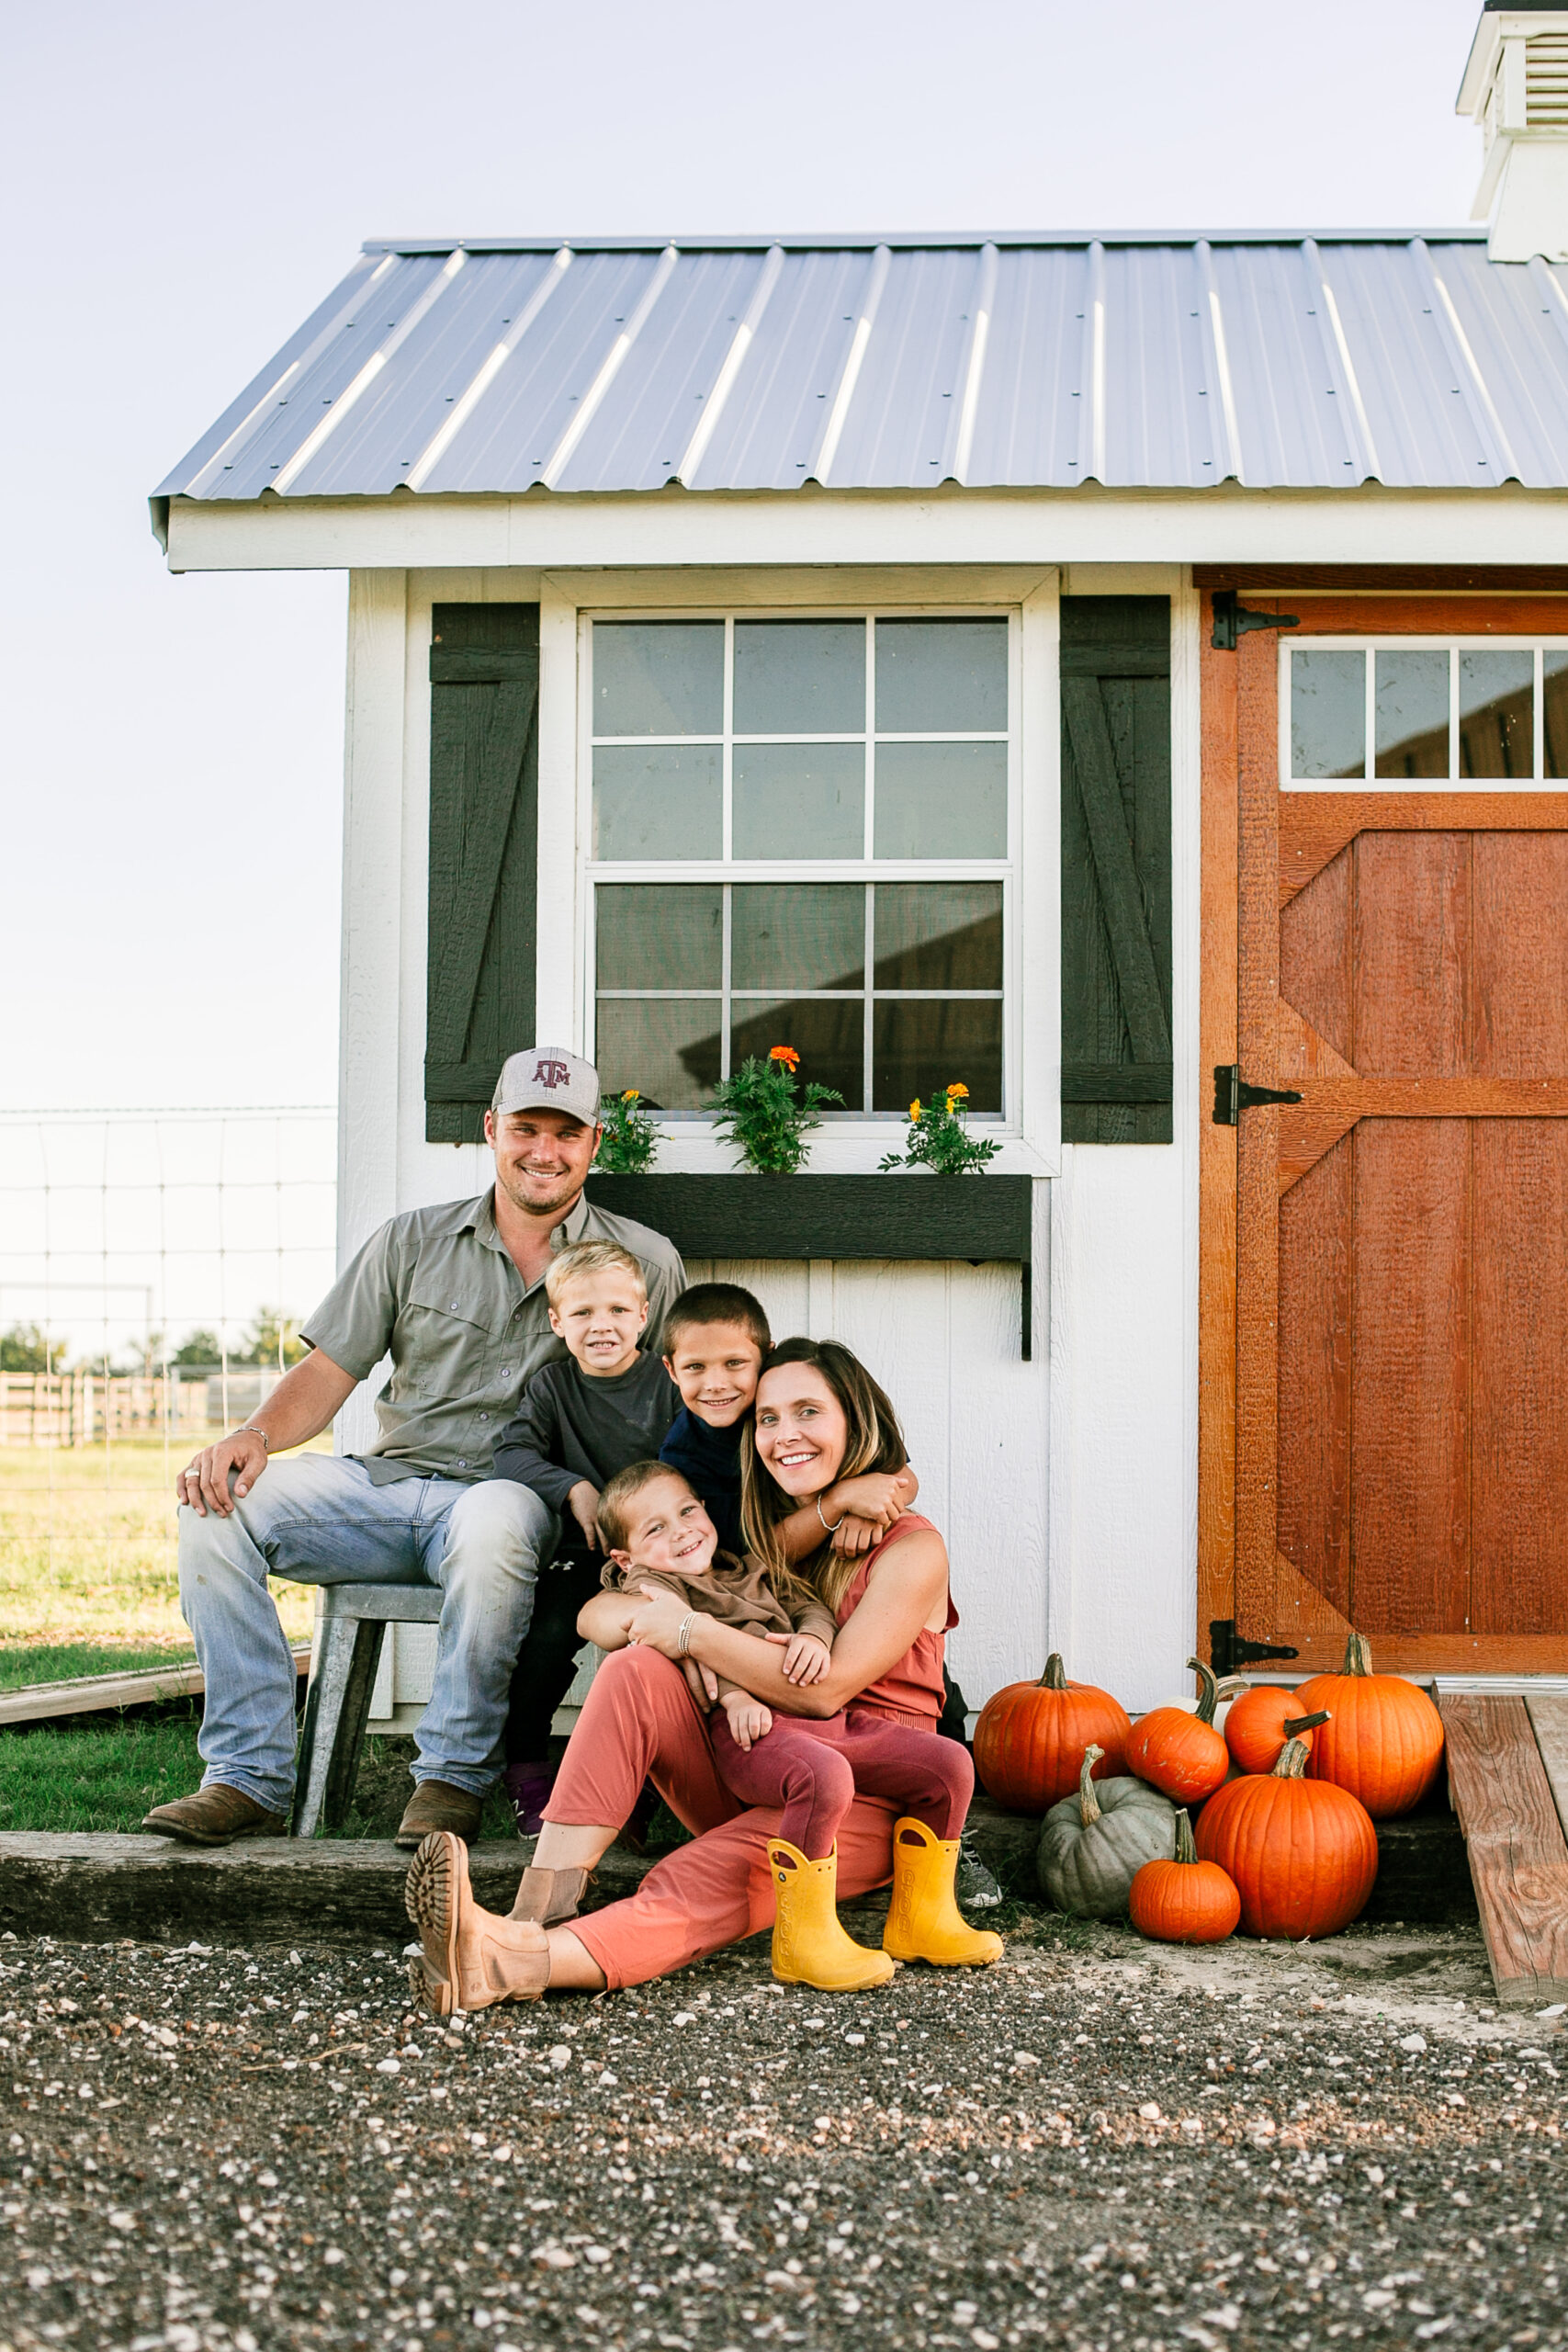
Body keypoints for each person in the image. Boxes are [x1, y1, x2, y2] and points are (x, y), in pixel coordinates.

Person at [145, 1047, 683, 1850]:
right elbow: (331, 1367)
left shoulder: (643, 1262)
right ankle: (246, 1778)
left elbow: (676, 1392)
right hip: (386, 1486)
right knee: (217, 1510)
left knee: (494, 1517)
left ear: (594, 1143)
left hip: (512, 1499)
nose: (544, 1150)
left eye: (565, 1134)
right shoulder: (410, 1241)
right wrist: (251, 1437)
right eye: (525, 1128)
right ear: (491, 1129)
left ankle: (450, 1778)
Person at [402, 1337, 1002, 2012]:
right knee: (635, 1669)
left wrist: (688, 1630)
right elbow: (602, 1613)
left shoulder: (912, 1549)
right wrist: (635, 1611)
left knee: (707, 1875)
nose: (783, 1435)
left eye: (808, 1412)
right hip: (756, 1758)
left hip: (861, 1795)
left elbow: (827, 1687)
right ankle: (532, 1908)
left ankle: (509, 1961)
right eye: (768, 1419)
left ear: (855, 1418)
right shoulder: (770, 1535)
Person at [585, 1458, 992, 1990]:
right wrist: (735, 1698)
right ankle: (805, 1941)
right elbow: (689, 1650)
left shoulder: (749, 1568)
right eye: (656, 1528)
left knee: (951, 1763)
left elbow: (807, 1607)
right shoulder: (658, 1584)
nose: (681, 1531)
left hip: (826, 1723)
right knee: (821, 1777)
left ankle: (922, 1921)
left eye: (687, 1512)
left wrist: (814, 1638)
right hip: (753, 1731)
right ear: (625, 1556)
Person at [491, 1241, 679, 1834]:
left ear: (644, 1315)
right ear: (557, 1321)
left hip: (665, 1562)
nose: (603, 1327)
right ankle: (526, 1768)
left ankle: (653, 1782)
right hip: (585, 1558)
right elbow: (512, 1453)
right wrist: (572, 1487)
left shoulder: (668, 1382)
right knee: (543, 1641)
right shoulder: (553, 1389)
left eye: (619, 1311)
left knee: (662, 1654)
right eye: (583, 1314)